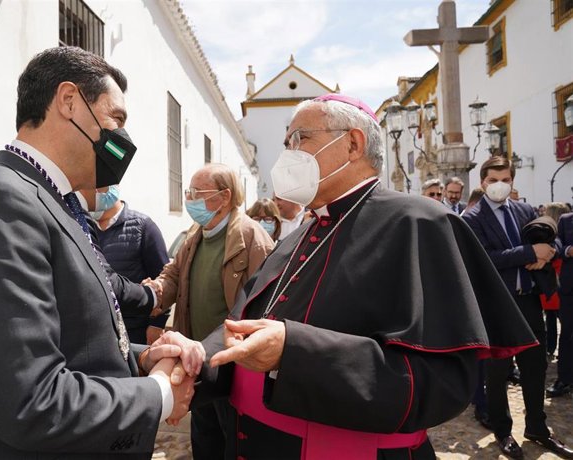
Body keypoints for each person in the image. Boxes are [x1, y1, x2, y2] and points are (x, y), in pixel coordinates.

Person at [165, 93, 537, 459]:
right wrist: (197, 358)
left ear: (353, 144)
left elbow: (441, 384)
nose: (288, 155)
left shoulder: (420, 223)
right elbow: (240, 325)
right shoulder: (298, 236)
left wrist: (293, 352)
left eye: (299, 139)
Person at [0, 47, 198, 459]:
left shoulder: (52, 202)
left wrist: (144, 359)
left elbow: (79, 343)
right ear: (69, 102)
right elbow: (32, 402)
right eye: (116, 118)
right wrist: (158, 393)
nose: (122, 138)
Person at [150, 163, 274, 459]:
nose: (189, 199)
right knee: (204, 439)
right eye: (188, 192)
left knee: (233, 440)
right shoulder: (194, 235)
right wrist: (153, 293)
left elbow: (267, 302)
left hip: (234, 366)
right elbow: (172, 276)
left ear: (224, 197)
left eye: (197, 193)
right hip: (196, 362)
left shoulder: (252, 238)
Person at [463, 156, 573, 459]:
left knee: (535, 367)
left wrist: (545, 254)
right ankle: (502, 430)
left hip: (528, 300)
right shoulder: (471, 219)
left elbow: (549, 242)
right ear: (483, 181)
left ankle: (537, 427)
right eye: (493, 179)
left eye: (506, 179)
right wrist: (528, 252)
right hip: (497, 305)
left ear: (512, 181)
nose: (500, 185)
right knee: (497, 372)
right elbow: (484, 259)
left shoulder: (525, 210)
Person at [80, 185, 170, 345]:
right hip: (100, 331)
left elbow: (163, 278)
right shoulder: (84, 228)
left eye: (97, 189)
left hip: (136, 330)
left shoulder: (143, 227)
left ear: (111, 189)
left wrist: (157, 324)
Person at [548, 206, 573, 397]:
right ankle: (564, 379)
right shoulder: (565, 220)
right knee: (567, 335)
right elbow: (557, 247)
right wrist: (568, 250)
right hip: (569, 288)